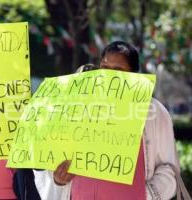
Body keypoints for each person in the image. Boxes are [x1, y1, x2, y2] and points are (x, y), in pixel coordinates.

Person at [34, 41, 182, 200]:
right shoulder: (79, 106)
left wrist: (145, 195)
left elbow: (169, 170)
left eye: (118, 70)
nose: (109, 75)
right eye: (105, 68)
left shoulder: (153, 112)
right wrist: (58, 178)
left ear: (134, 74)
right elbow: (57, 157)